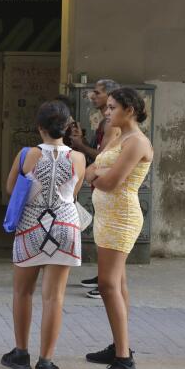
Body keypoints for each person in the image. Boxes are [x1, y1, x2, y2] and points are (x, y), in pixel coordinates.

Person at [1, 101, 86, 369]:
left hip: (30, 229)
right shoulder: (78, 158)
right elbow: (73, 193)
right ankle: (46, 363)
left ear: (40, 127)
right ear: (66, 128)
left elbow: (12, 189)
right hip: (65, 228)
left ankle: (21, 354)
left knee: (23, 293)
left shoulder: (26, 154)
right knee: (54, 297)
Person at [84, 88, 153, 369]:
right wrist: (95, 174)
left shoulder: (137, 141)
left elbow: (109, 182)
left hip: (122, 218)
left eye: (113, 107)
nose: (107, 112)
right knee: (118, 284)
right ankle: (118, 345)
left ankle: (125, 361)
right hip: (107, 218)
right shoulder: (118, 137)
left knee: (107, 284)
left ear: (131, 110)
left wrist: (95, 176)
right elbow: (90, 169)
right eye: (107, 107)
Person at [70, 79, 121, 299]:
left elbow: (103, 156)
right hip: (100, 184)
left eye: (97, 93)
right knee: (102, 233)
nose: (92, 96)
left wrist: (80, 146)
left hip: (107, 185)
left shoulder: (111, 125)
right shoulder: (104, 122)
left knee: (109, 236)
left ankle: (108, 281)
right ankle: (104, 276)